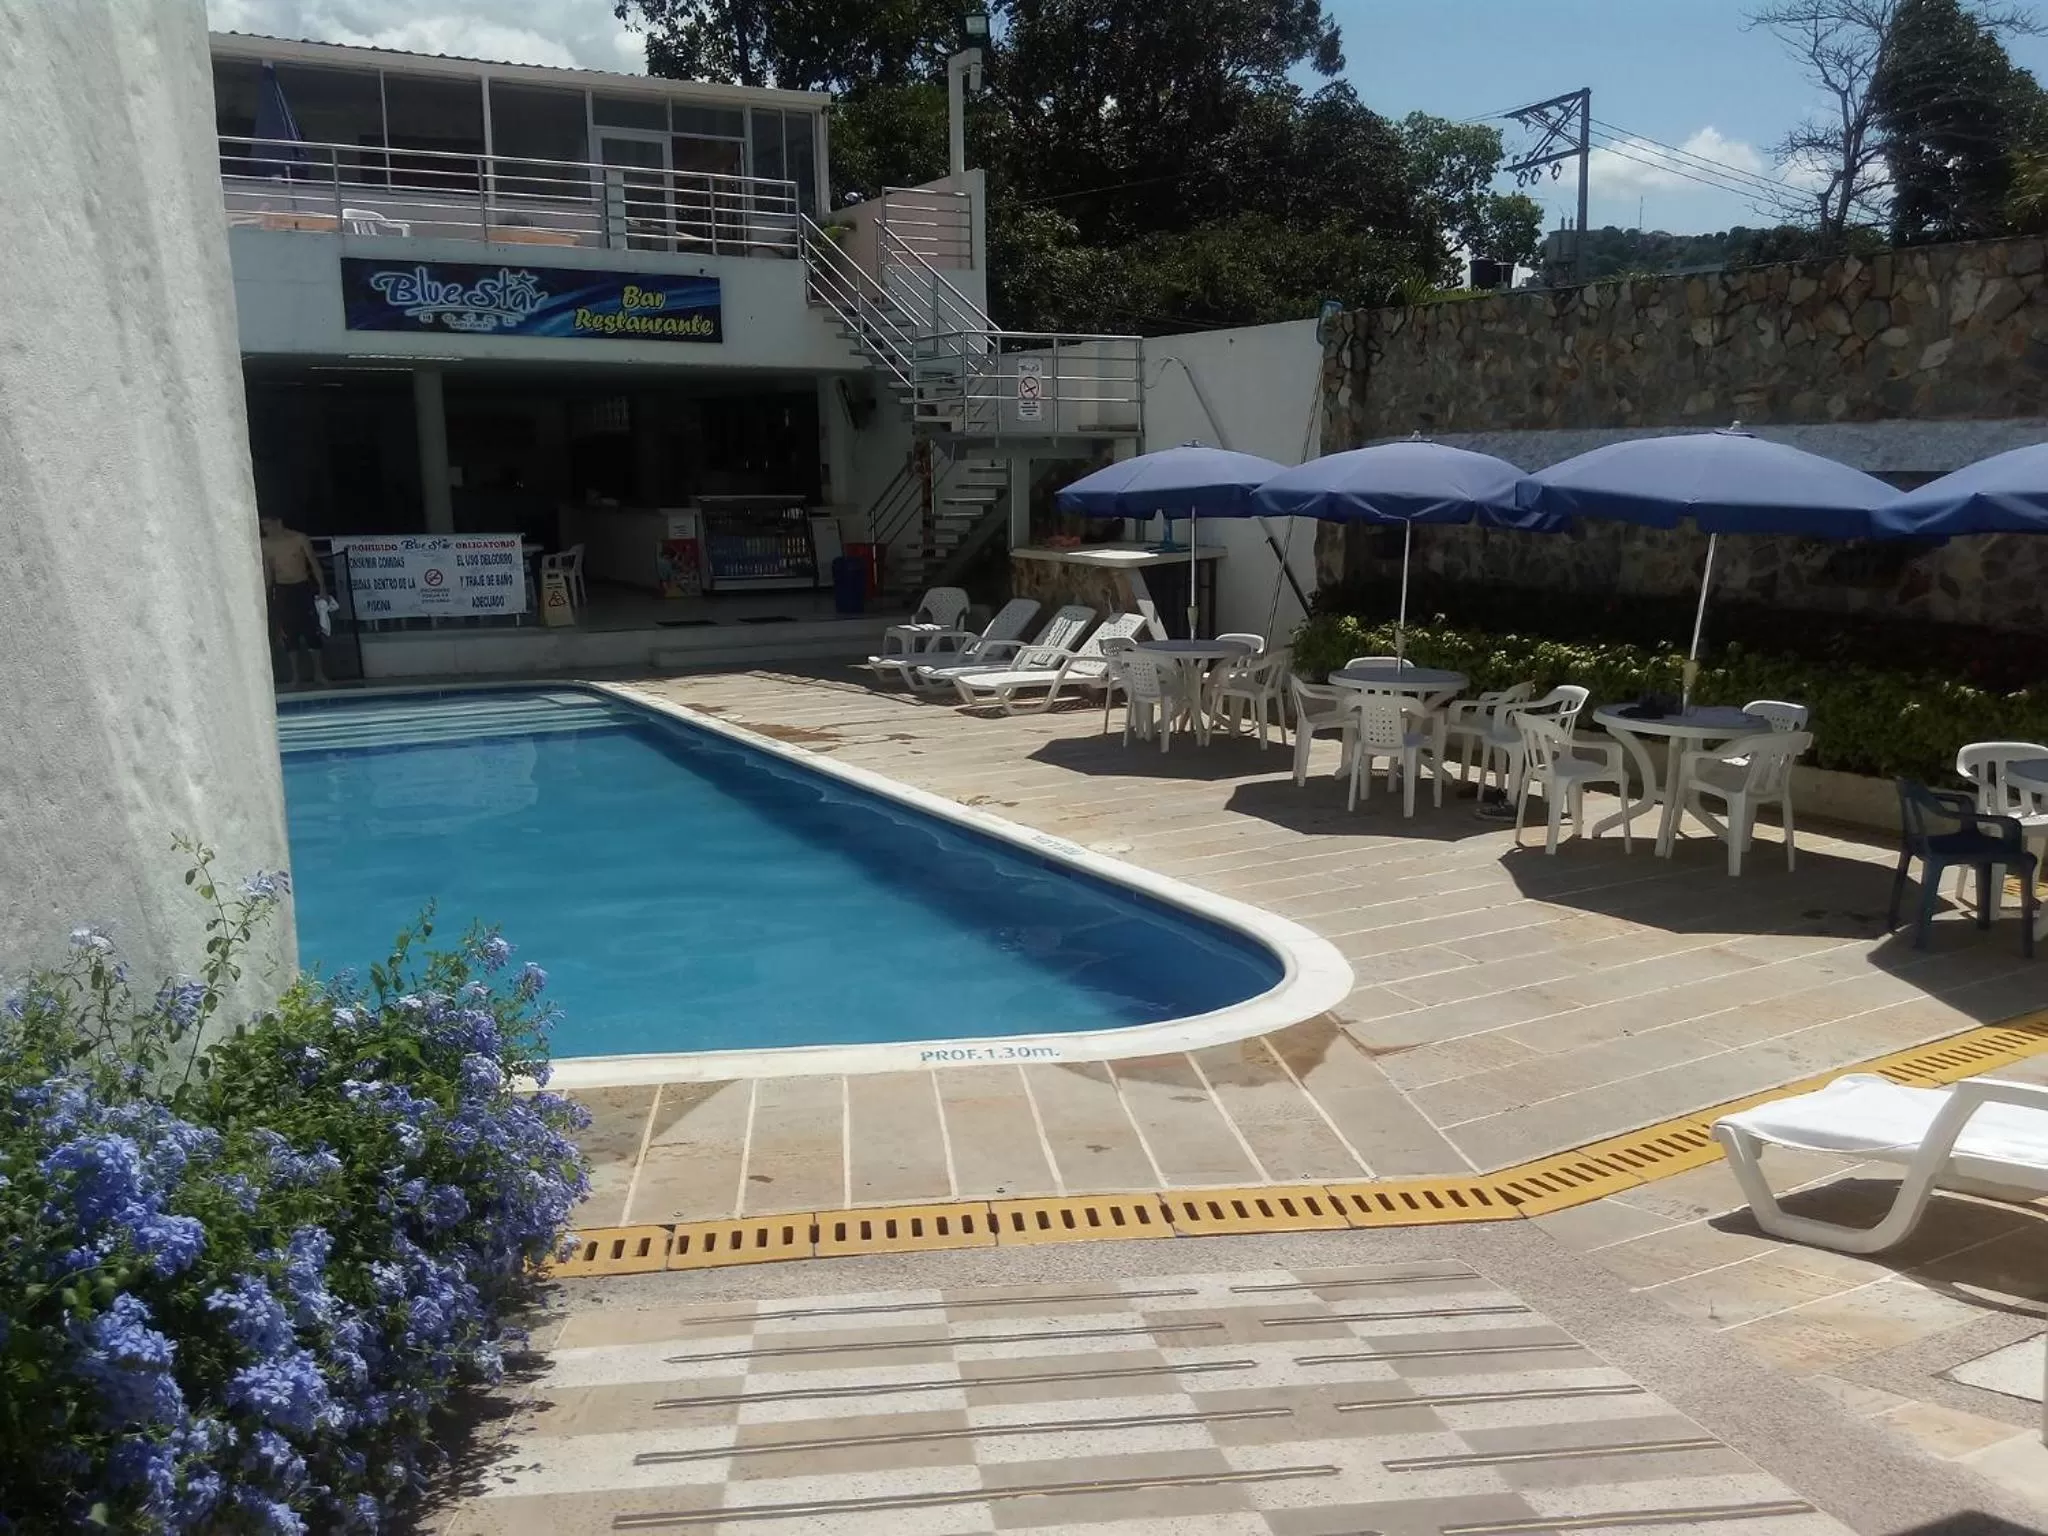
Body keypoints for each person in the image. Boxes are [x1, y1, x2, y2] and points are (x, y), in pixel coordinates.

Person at [259, 515, 328, 688]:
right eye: (263, 526)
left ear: (278, 522)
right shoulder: (265, 544)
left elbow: (314, 564)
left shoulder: (298, 538)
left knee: (312, 631)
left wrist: (323, 589)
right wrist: (266, 596)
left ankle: (319, 673)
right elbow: (268, 572)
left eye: (268, 525)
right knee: (289, 633)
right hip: (283, 589)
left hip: (302, 587)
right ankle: (295, 676)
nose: (266, 529)